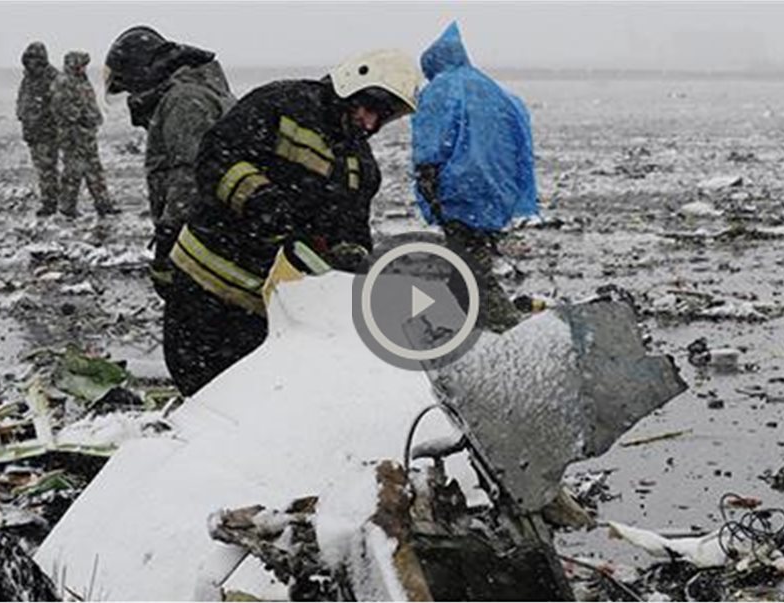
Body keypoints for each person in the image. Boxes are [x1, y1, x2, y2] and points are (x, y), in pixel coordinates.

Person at [163, 49, 421, 395]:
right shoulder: (282, 104)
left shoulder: (361, 168)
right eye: (370, 109)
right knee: (195, 383)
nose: (371, 124)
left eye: (382, 118)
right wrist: (257, 197)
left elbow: (353, 229)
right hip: (203, 279)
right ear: (352, 85)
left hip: (263, 305)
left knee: (238, 397)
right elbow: (216, 155)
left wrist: (351, 255)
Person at [412, 22, 538, 333]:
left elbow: (431, 144)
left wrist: (429, 185)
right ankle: (471, 330)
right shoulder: (492, 89)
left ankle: (510, 335)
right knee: (469, 263)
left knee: (472, 271)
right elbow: (518, 138)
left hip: (460, 189)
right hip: (497, 191)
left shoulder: (441, 89)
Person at [103, 26, 235, 297]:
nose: (130, 96)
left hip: (204, 240)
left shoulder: (184, 100)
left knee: (196, 323)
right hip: (216, 234)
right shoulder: (192, 92)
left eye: (128, 86)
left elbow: (190, 174)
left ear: (141, 73)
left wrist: (170, 238)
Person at [52, 51, 118, 218]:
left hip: (87, 136)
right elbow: (64, 109)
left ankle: (104, 205)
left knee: (95, 171)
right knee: (72, 172)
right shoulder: (63, 82)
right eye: (81, 64)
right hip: (73, 137)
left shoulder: (82, 81)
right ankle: (67, 208)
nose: (84, 68)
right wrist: (84, 118)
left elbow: (89, 104)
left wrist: (95, 117)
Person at [16, 42, 60, 217]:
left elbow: (60, 104)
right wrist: (22, 115)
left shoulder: (52, 77)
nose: (32, 63)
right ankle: (49, 201)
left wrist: (48, 121)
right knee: (42, 169)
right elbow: (22, 100)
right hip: (32, 131)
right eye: (30, 59)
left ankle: (50, 204)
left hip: (48, 132)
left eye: (35, 59)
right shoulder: (27, 78)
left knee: (48, 169)